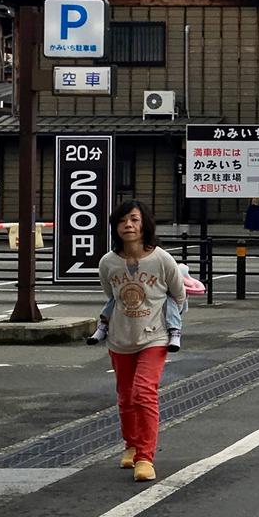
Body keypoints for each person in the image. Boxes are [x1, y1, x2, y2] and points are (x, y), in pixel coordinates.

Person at [90, 200, 186, 483]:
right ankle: (131, 444)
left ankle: (145, 457)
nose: (128, 226)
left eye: (134, 219)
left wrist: (170, 325)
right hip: (120, 338)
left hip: (154, 337)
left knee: (143, 392)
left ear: (144, 224)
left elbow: (178, 296)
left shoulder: (161, 259)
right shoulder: (108, 262)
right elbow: (111, 295)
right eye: (122, 221)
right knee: (125, 396)